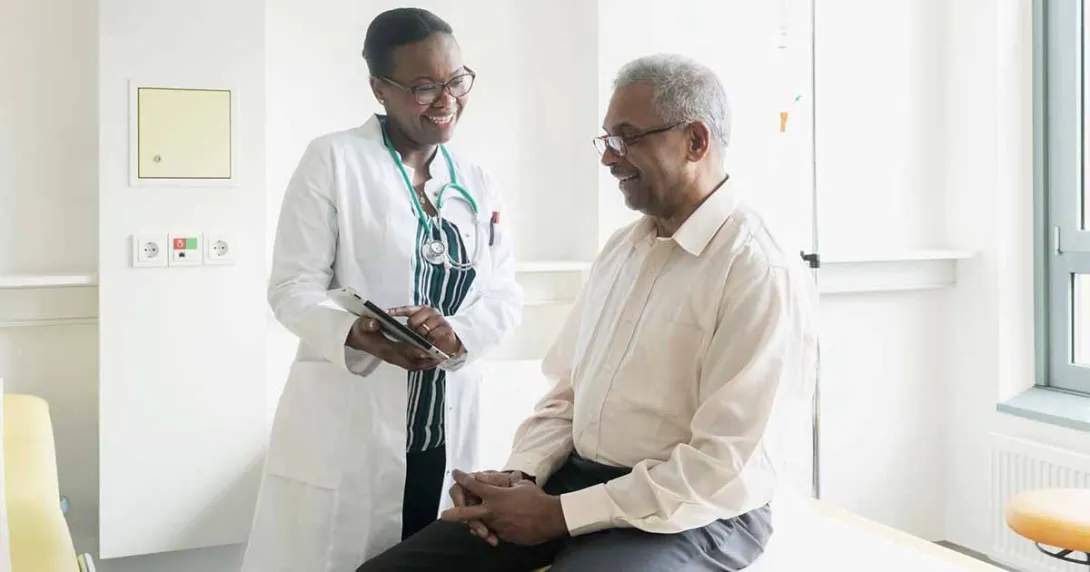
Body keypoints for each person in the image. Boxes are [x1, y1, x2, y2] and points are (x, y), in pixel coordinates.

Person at [356, 53, 819, 572]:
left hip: (699, 511)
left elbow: (723, 466)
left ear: (696, 140)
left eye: (627, 138)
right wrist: (523, 478)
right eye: (607, 140)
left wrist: (558, 516)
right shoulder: (623, 251)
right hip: (577, 480)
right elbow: (567, 395)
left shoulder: (756, 269)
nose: (609, 158)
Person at [241, 8, 523, 572]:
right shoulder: (334, 160)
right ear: (379, 87)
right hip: (355, 424)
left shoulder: (476, 178)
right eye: (423, 87)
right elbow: (292, 286)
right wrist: (359, 334)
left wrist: (458, 331)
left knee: (427, 557)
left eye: (456, 81)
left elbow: (504, 294)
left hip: (441, 423)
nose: (445, 100)